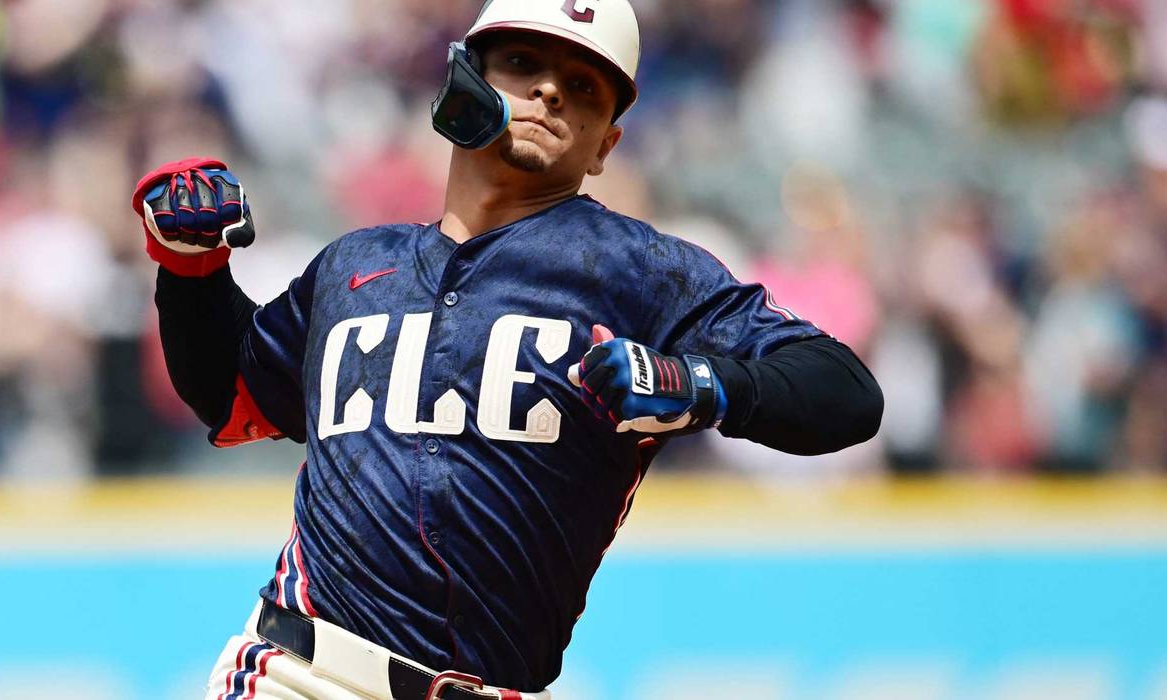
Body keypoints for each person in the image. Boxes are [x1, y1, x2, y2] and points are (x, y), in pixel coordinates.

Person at [131, 1, 883, 698]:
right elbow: (232, 397)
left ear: (606, 144)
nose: (551, 92)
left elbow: (845, 394)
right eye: (523, 64)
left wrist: (704, 384)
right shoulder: (356, 265)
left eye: (584, 87)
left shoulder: (644, 272)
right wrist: (190, 270)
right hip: (302, 677)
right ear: (466, 78)